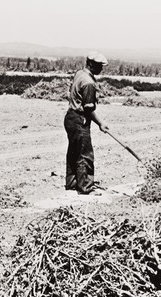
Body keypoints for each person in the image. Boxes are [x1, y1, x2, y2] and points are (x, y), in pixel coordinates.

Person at [64, 51, 110, 194]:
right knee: (85, 154)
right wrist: (101, 123)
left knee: (73, 151)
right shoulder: (89, 83)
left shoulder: (80, 73)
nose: (101, 69)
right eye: (98, 66)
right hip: (80, 119)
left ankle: (72, 183)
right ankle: (86, 187)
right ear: (91, 64)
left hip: (70, 117)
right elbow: (88, 109)